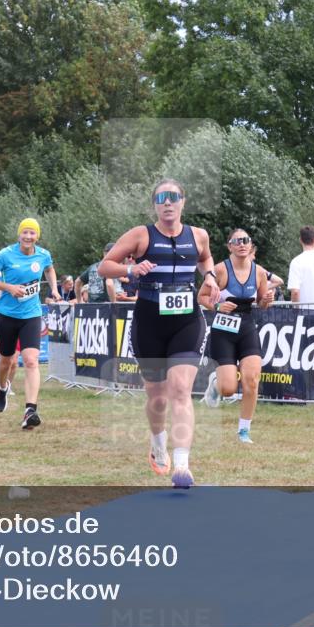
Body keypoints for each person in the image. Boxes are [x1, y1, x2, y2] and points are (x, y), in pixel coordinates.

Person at [99, 179, 220, 488]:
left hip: (187, 321)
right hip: (149, 322)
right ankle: (157, 445)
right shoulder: (141, 235)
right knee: (158, 398)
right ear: (154, 204)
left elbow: (205, 257)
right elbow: (105, 266)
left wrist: (209, 277)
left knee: (180, 390)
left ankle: (182, 465)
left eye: (174, 197)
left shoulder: (198, 235)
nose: (168, 203)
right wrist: (130, 271)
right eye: (162, 198)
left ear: (183, 201)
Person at [198, 228, 273, 444]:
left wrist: (267, 298)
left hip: (247, 327)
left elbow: (262, 303)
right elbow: (201, 297)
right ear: (229, 245)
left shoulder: (259, 272)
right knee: (229, 389)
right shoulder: (220, 270)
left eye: (246, 240)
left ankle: (243, 430)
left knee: (251, 380)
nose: (242, 244)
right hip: (224, 330)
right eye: (237, 241)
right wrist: (218, 305)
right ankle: (215, 384)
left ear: (250, 245)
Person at [0, 217, 60, 430]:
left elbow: (49, 269)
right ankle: (2, 387)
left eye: (32, 233)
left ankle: (30, 410)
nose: (28, 236)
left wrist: (54, 288)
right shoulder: (6, 254)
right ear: (19, 235)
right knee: (7, 361)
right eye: (24, 233)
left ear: (37, 236)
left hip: (31, 315)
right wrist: (9, 288)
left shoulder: (43, 255)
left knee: (31, 360)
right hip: (7, 315)